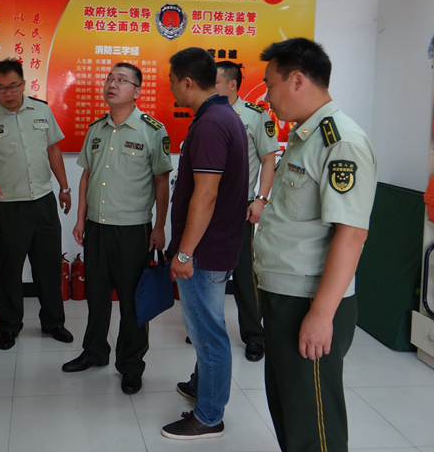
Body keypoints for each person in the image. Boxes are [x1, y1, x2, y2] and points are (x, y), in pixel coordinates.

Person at [255, 38, 377, 452]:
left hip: (309, 300)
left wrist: (322, 315)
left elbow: (352, 233)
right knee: (290, 408)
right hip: (285, 293)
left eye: (270, 85)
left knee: (314, 424)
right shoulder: (305, 137)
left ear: (297, 80)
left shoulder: (340, 142)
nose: (267, 96)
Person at [62, 63, 172, 395]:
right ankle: (95, 352)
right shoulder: (96, 129)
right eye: (110, 79)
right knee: (96, 296)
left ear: (137, 91)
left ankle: (131, 364)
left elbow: (162, 181)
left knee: (132, 301)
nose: (112, 84)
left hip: (133, 230)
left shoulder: (152, 130)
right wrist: (80, 219)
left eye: (121, 80)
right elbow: (86, 176)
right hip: (97, 227)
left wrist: (159, 226)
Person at [161, 47, 248, 440]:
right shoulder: (222, 115)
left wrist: (184, 253)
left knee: (208, 333)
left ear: (187, 82)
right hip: (215, 245)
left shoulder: (212, 123)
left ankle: (209, 417)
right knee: (207, 325)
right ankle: (202, 385)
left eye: (172, 82)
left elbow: (206, 195)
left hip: (204, 251)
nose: (170, 90)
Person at [0, 58, 74, 350]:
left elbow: (53, 149)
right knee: (9, 269)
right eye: (0, 88)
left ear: (23, 84)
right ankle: (10, 326)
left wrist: (64, 187)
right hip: (9, 205)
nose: (7, 93)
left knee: (49, 265)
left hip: (44, 201)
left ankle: (54, 322)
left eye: (13, 86)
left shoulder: (41, 110)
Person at [215, 61, 279, 362]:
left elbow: (269, 160)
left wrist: (261, 199)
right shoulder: (207, 113)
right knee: (206, 270)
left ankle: (254, 335)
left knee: (243, 273)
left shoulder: (255, 116)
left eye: (215, 81)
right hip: (207, 205)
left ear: (232, 84)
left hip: (239, 207)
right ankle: (207, 326)